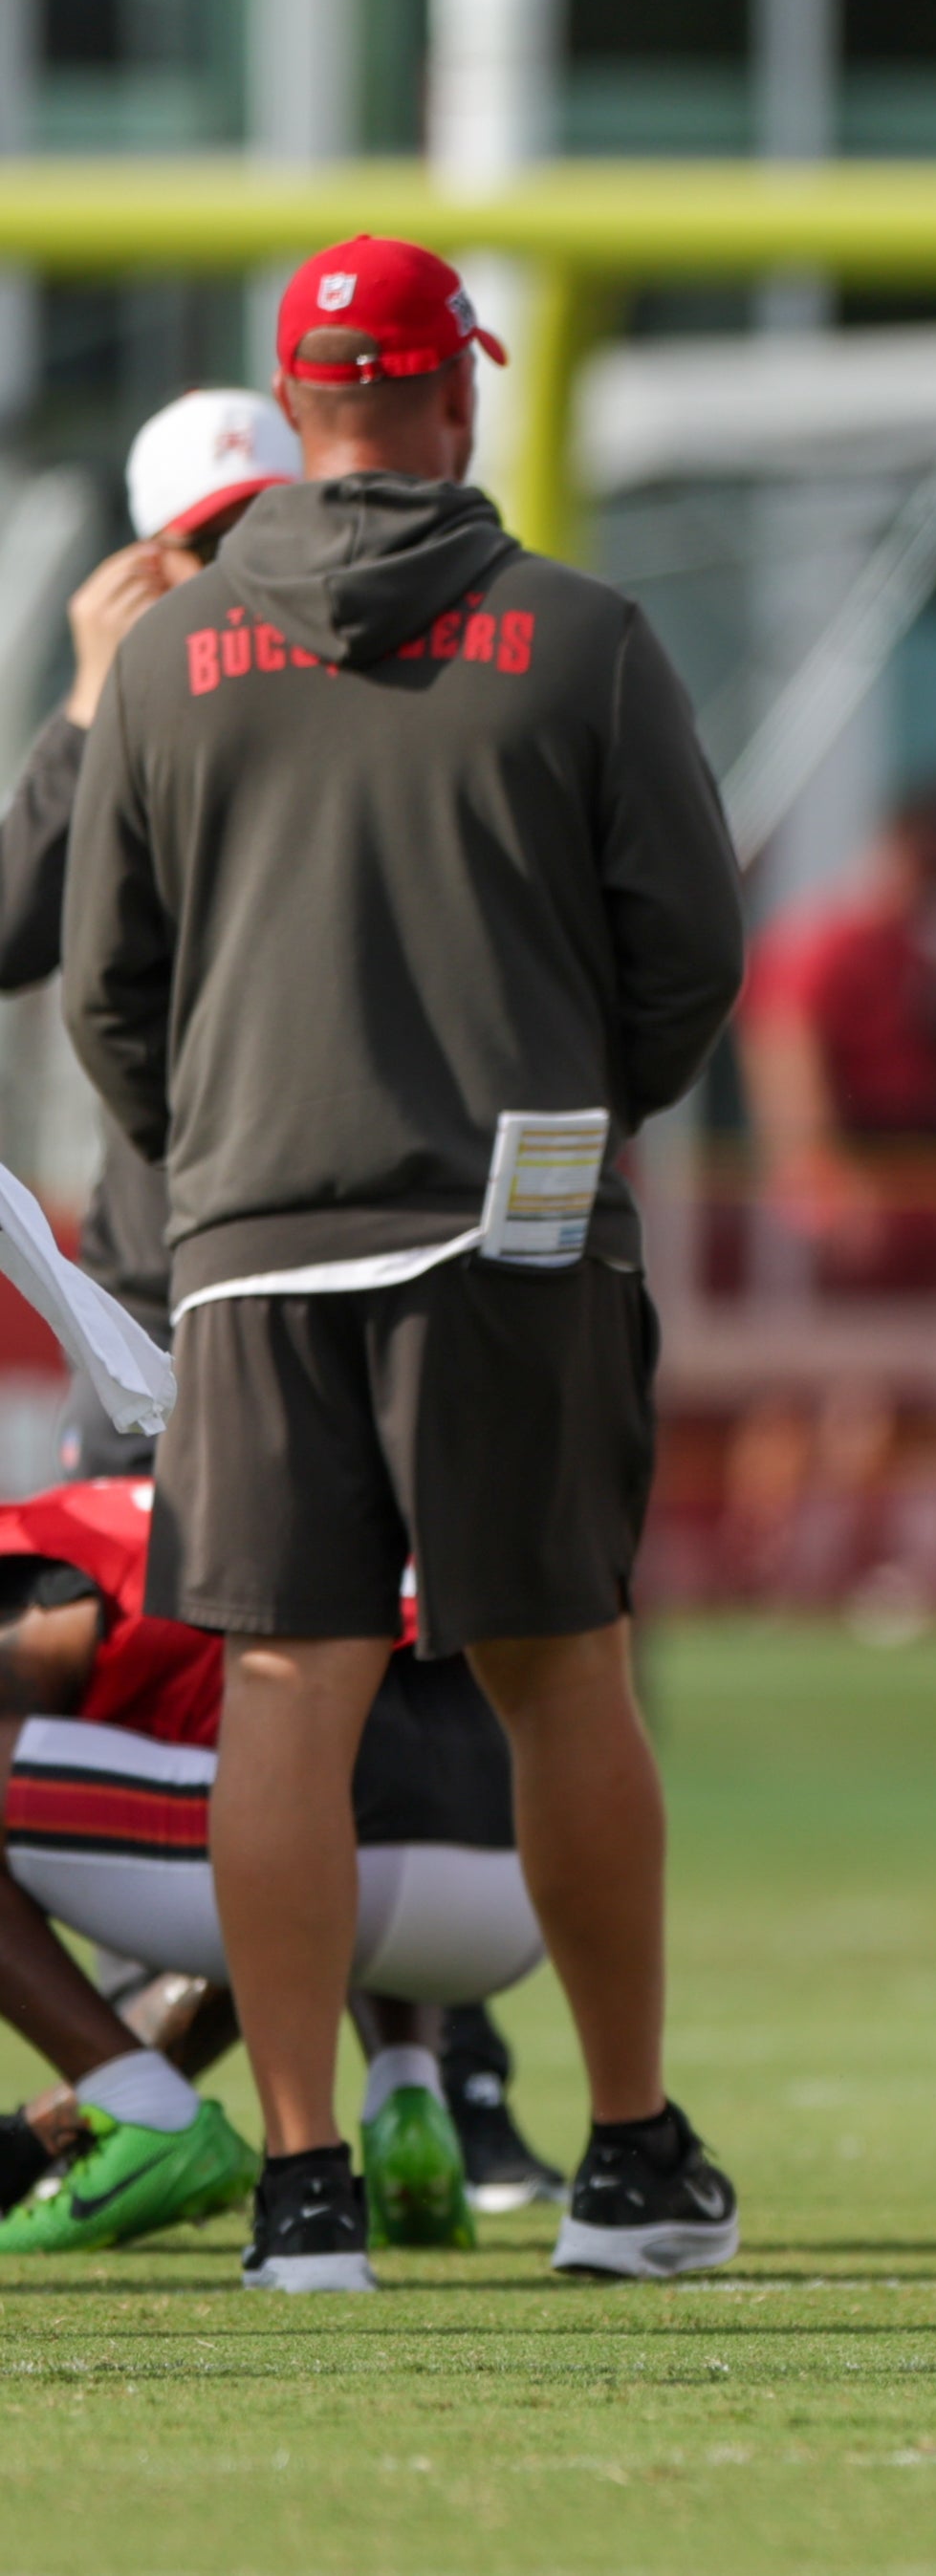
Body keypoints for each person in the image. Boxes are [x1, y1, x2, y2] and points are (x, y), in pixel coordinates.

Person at [63, 234, 751, 2293]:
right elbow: (688, 963)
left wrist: (232, 1165)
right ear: (456, 398)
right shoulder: (582, 635)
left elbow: (108, 993)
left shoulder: (172, 664)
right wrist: (556, 1107)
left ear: (297, 413)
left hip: (257, 1244)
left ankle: (299, 2188)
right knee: (561, 1674)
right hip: (511, 1234)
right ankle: (624, 2155)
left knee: (285, 1682)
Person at [0, 1478, 551, 2257]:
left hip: (348, 1844)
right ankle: (408, 2106)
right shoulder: (145, 1512)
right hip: (527, 1881)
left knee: (295, 1800)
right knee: (320, 1762)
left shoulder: (30, 1556)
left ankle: (146, 2116)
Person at [0, 388, 298, 1478]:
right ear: (142, 566)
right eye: (205, 544)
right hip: (158, 1271)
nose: (236, 574)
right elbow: (10, 934)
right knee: (118, 1621)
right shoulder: (123, 724)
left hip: (336, 1259)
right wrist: (91, 700)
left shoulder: (366, 700)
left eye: (262, 533)